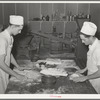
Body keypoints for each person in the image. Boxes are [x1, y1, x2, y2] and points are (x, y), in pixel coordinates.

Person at [0, 15, 28, 94]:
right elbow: (0, 62)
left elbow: (9, 53)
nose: (20, 32)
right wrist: (17, 75)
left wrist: (17, 66)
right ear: (12, 26)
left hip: (5, 70)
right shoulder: (2, 39)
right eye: (19, 29)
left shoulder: (10, 37)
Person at [71, 21, 100, 93]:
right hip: (91, 76)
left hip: (97, 80)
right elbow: (92, 61)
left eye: (84, 39)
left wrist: (85, 77)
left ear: (91, 37)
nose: (82, 42)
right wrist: (84, 70)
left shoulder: (98, 50)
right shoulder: (92, 45)